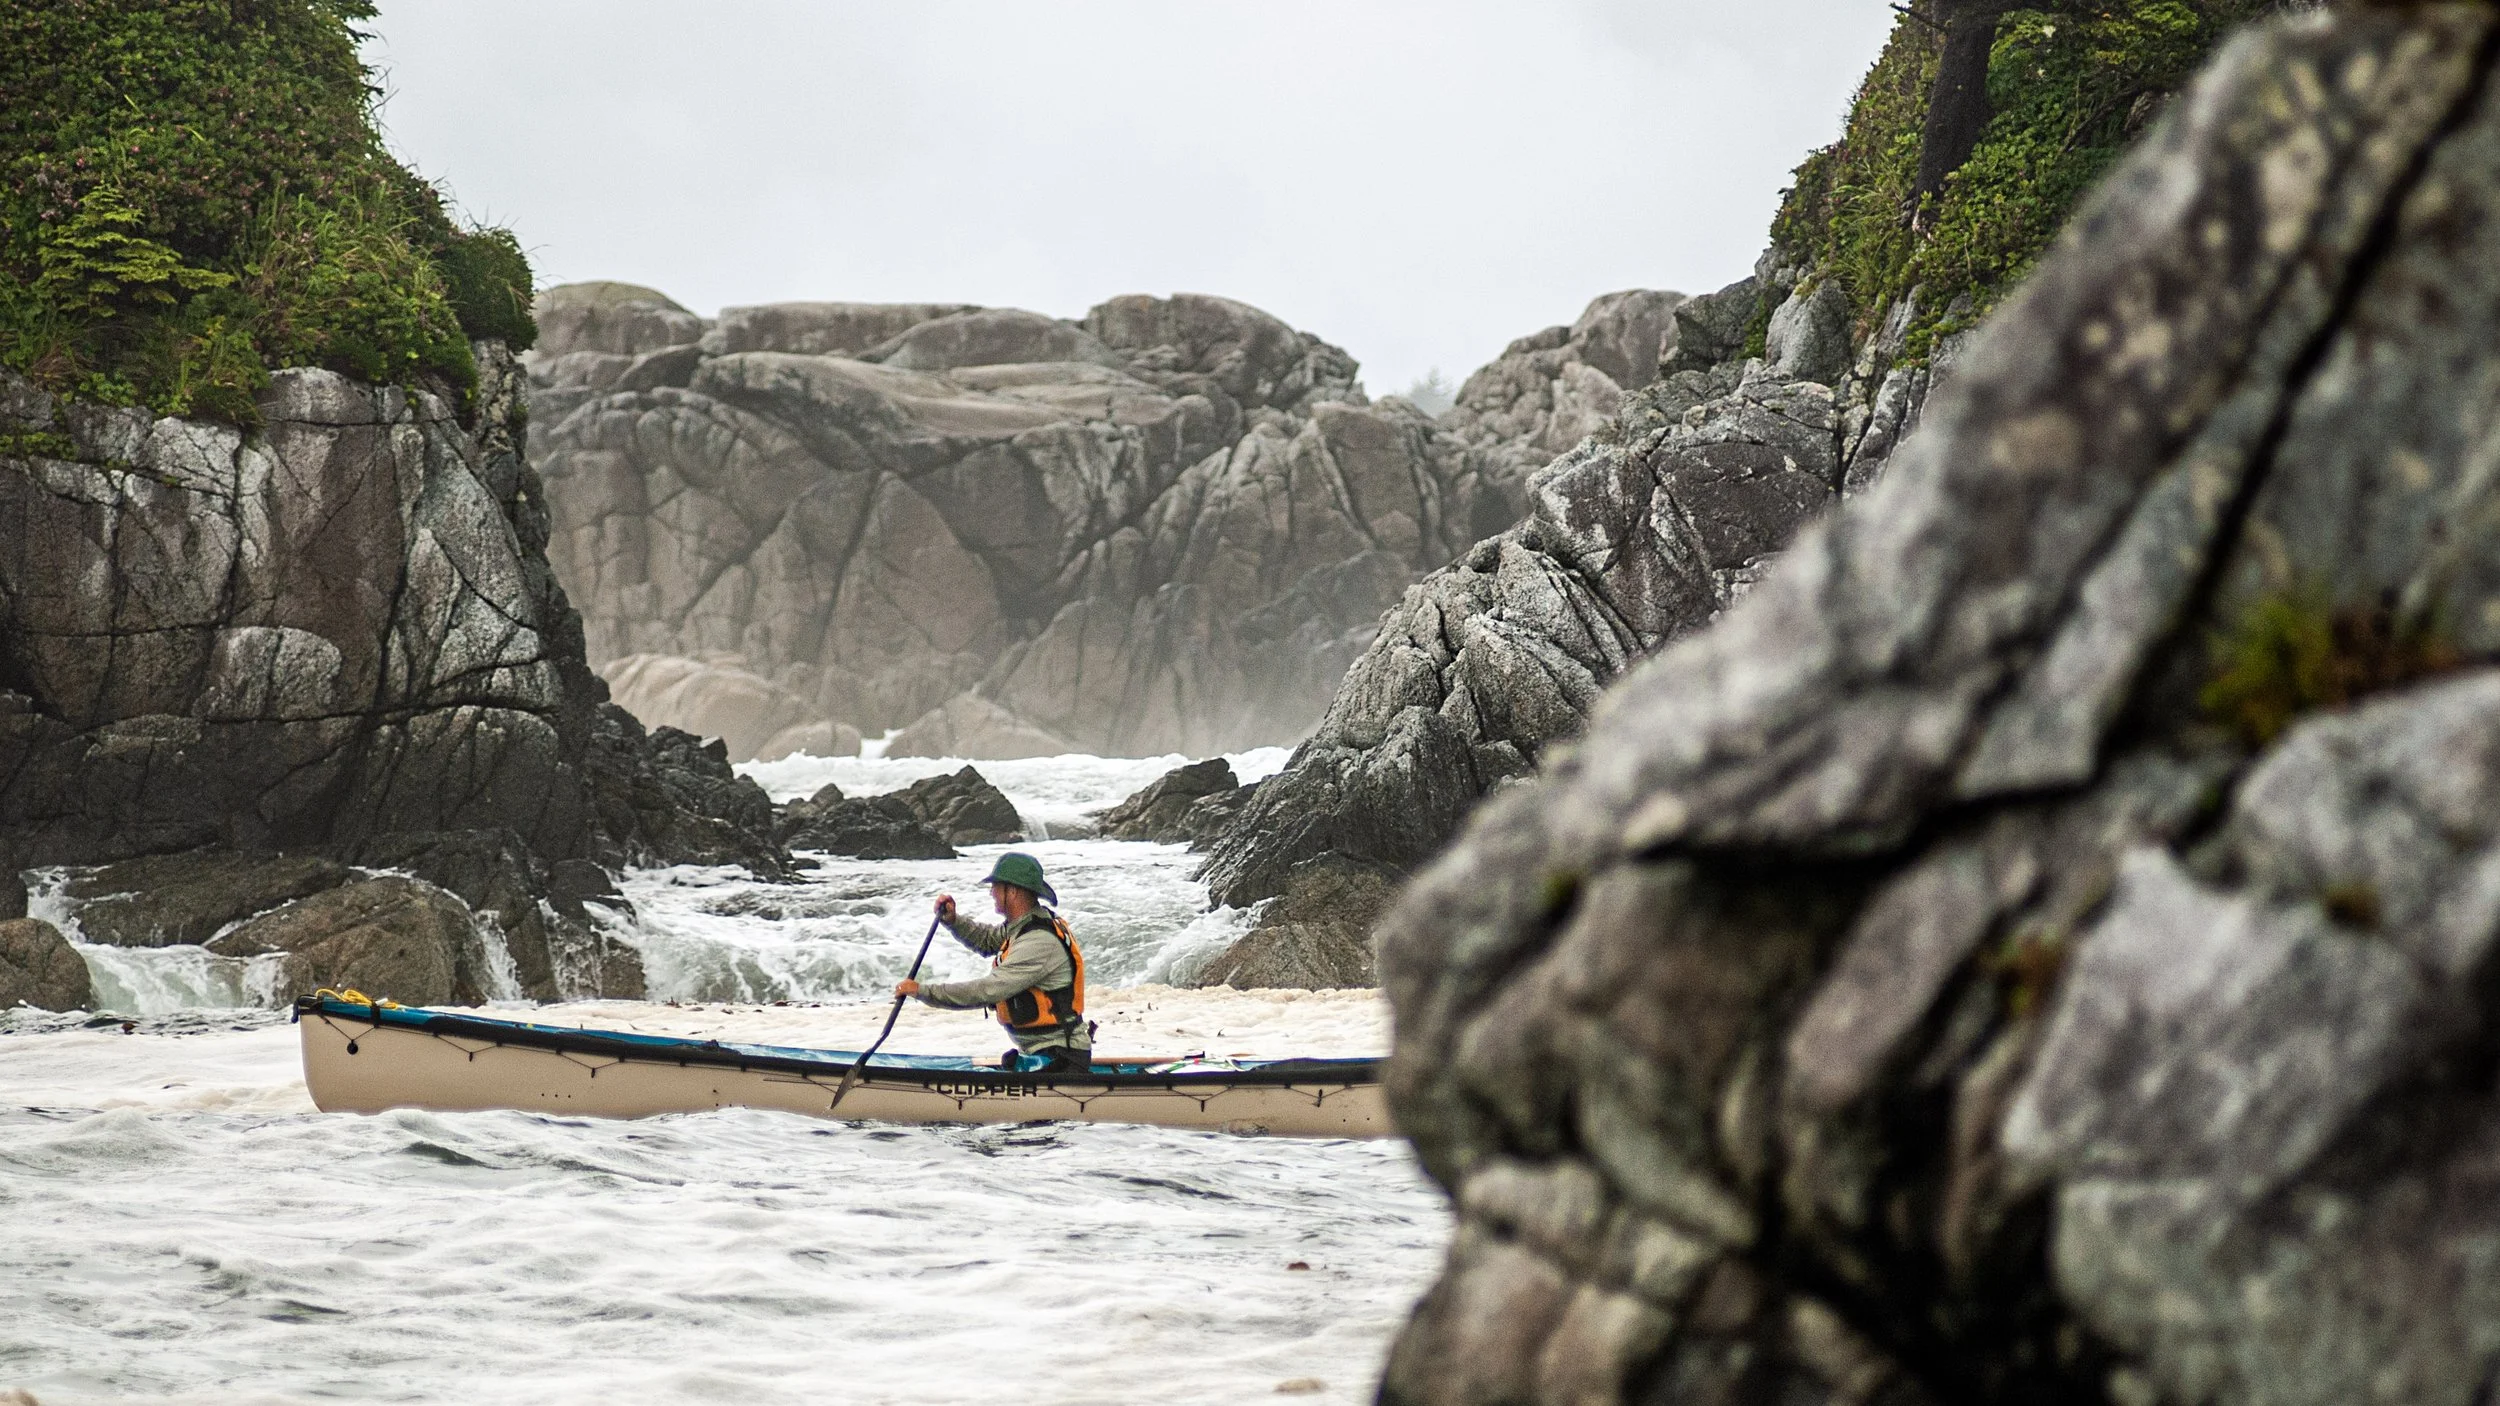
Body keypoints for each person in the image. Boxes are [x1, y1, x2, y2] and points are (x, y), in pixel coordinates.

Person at [894, 852, 1093, 1071]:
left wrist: (922, 991)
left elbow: (987, 991)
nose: (991, 893)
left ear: (1013, 891)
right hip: (1040, 1054)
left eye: (995, 887)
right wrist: (953, 921)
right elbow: (988, 940)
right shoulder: (1024, 925)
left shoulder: (1039, 942)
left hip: (1061, 1059)